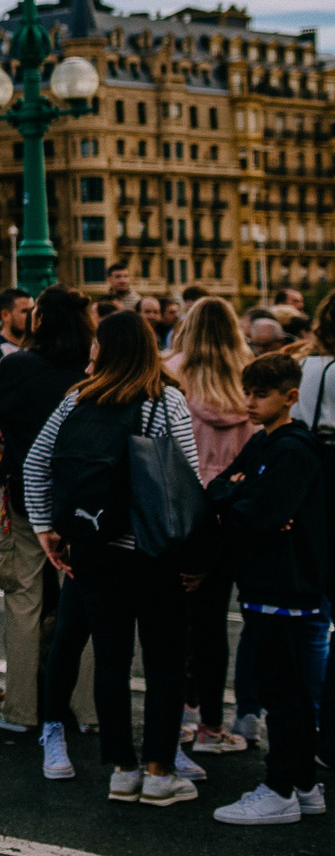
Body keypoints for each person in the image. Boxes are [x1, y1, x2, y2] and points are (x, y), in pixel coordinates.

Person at [26, 309, 206, 805]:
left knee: (110, 660)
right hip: (151, 552)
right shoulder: (164, 400)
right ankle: (159, 771)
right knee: (165, 662)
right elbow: (184, 481)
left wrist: (46, 528)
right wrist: (194, 555)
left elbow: (35, 463)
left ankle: (122, 769)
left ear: (104, 349)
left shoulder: (76, 399)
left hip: (92, 548)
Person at [207, 352, 327, 825]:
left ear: (291, 396)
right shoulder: (263, 444)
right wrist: (240, 495)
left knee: (281, 687)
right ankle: (302, 783)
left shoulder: (293, 449)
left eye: (261, 394)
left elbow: (261, 514)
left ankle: (280, 789)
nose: (250, 402)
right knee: (287, 685)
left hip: (285, 584)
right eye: (249, 392)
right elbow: (219, 489)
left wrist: (240, 499)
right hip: (268, 580)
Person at [0, 284, 95, 752]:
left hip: (29, 498)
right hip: (86, 502)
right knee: (84, 604)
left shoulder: (16, 365)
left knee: (23, 600)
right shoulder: (91, 373)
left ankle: (22, 709)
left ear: (40, 320)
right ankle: (88, 709)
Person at [167, 295, 253, 753]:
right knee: (216, 622)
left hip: (183, 508)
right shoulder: (250, 380)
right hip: (232, 512)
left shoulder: (173, 374)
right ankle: (214, 728)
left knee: (176, 616)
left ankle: (182, 713)